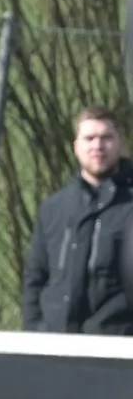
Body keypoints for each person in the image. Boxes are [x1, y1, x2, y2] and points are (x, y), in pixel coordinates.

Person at [23, 106, 133, 335]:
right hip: (55, 344)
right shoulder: (54, 208)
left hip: (115, 346)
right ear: (76, 146)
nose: (97, 146)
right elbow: (35, 277)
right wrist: (36, 329)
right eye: (89, 138)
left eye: (106, 138)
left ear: (120, 144)